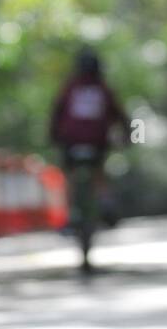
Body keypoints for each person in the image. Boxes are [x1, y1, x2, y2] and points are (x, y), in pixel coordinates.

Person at [49, 47, 130, 227]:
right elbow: (120, 114)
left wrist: (53, 135)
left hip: (71, 141)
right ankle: (105, 203)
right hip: (98, 141)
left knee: (68, 176)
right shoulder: (104, 89)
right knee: (99, 174)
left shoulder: (70, 87)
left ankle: (70, 212)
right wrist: (127, 135)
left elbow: (56, 112)